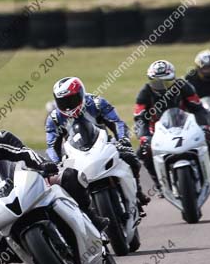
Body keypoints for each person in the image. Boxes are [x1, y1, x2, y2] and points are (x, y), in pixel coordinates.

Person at [0, 108, 108, 264]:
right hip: (0, 205)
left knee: (72, 176)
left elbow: (25, 153)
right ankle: (35, 256)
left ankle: (93, 220)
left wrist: (43, 164)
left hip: (29, 183)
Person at [45, 76, 150, 214]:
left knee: (130, 157)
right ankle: (84, 212)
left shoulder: (97, 103)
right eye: (63, 102)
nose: (68, 105)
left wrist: (123, 139)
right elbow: (52, 145)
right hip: (75, 152)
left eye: (72, 99)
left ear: (81, 94)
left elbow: (117, 122)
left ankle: (138, 192)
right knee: (66, 181)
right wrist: (56, 163)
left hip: (104, 143)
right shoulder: (54, 118)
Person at [134, 60, 210, 193]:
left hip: (185, 126)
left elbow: (198, 109)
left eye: (167, 82)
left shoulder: (184, 86)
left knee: (209, 138)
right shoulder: (145, 92)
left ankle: (208, 171)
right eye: (157, 83)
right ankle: (159, 184)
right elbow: (139, 118)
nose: (162, 87)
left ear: (174, 79)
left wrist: (205, 126)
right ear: (150, 81)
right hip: (158, 131)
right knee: (143, 153)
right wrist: (144, 137)